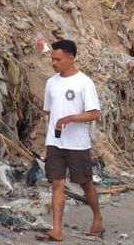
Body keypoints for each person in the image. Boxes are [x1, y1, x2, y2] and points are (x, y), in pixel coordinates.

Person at [38, 40, 104, 241]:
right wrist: (52, 135)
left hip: (77, 143)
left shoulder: (84, 83)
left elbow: (94, 114)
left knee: (84, 182)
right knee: (57, 183)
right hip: (55, 142)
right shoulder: (51, 83)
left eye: (58, 59)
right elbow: (50, 112)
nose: (54, 63)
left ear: (71, 58)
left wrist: (71, 118)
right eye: (52, 59)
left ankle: (97, 217)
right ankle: (56, 229)